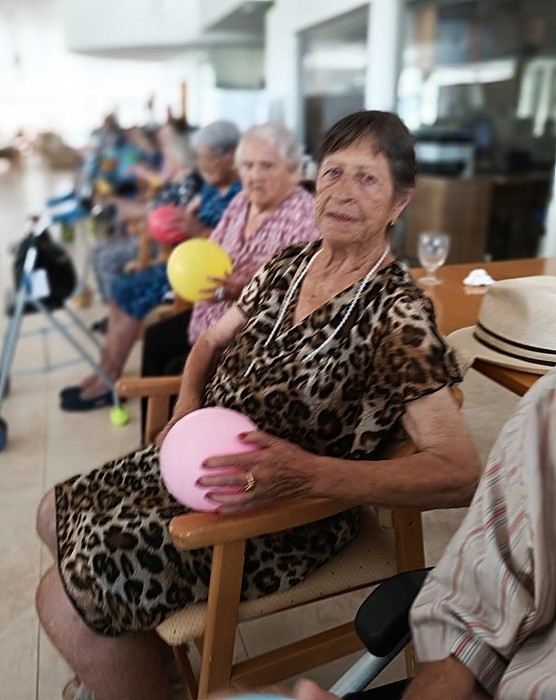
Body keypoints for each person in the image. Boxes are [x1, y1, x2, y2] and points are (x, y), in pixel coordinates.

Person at [36, 110, 480, 700]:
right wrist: (185, 406)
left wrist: (304, 473)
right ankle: (144, 662)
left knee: (63, 596)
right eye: (333, 172)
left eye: (368, 178)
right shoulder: (289, 264)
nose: (344, 191)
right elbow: (209, 342)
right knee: (52, 512)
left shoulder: (397, 314)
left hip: (280, 509)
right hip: (200, 459)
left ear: (400, 201)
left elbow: (458, 471)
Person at [138, 122, 322, 439]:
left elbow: (299, 291)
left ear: (292, 169)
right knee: (155, 339)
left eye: (266, 166)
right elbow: (213, 249)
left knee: (176, 369)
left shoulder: (304, 216)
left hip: (251, 335)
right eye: (248, 166)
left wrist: (245, 289)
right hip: (211, 313)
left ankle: (179, 446)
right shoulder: (241, 202)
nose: (255, 176)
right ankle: (153, 444)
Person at [59, 120, 241, 411]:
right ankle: (105, 371)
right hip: (180, 261)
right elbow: (182, 215)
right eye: (199, 158)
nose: (202, 166)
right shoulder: (212, 187)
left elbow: (233, 249)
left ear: (230, 155)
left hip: (201, 278)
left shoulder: (239, 193)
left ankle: (108, 380)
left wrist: (196, 229)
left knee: (130, 290)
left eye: (207, 159)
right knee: (121, 287)